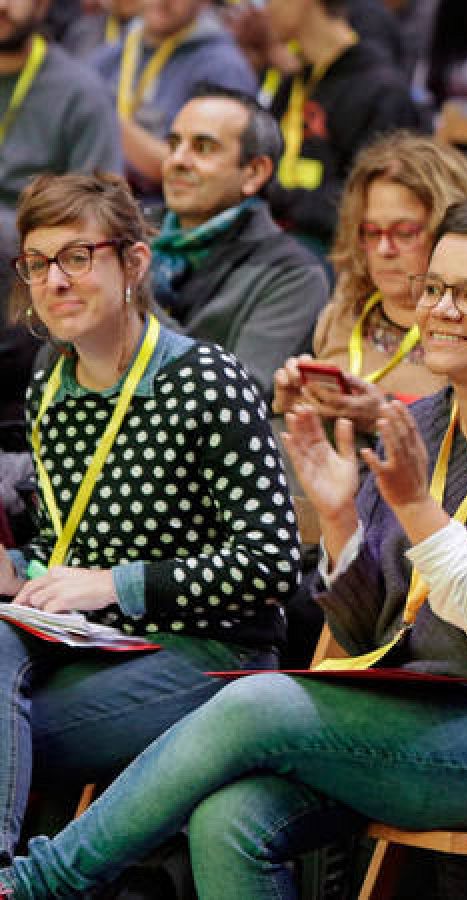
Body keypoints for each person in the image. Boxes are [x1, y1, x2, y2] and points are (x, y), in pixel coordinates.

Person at [0, 196, 467, 899]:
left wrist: (415, 509)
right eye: (434, 289)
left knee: (260, 703)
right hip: (418, 708)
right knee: (229, 817)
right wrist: (342, 520)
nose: (440, 309)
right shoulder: (428, 424)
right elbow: (368, 631)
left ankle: (37, 885)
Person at [0, 172, 298, 859]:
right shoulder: (52, 379)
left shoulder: (206, 380)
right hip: (87, 644)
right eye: (38, 264)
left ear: (134, 263)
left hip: (211, 655)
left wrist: (112, 583)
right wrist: (17, 569)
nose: (56, 281)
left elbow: (272, 563)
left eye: (78, 257)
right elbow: (63, 547)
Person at [273, 133, 467, 424]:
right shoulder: (348, 301)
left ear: (448, 231)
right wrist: (292, 406)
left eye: (404, 232)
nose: (384, 250)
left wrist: (381, 416)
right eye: (372, 232)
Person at [152, 85, 330, 395]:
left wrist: (128, 303)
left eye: (203, 147)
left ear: (254, 173)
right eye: (173, 144)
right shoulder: (128, 237)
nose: (177, 161)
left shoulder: (294, 275)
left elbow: (239, 396)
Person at [257, 0, 426, 253]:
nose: (265, 9)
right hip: (280, 237)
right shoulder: (295, 82)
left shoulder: (381, 92)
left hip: (334, 256)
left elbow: (363, 205)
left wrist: (277, 196)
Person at [89, 0, 257, 192]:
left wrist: (103, 118)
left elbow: (210, 169)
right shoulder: (112, 54)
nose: (163, 1)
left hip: (171, 211)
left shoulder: (223, 69)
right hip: (103, 203)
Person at [0, 1, 121, 260]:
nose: (2, 5)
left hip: (32, 261)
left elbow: (97, 213)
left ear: (42, 5)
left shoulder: (81, 93)